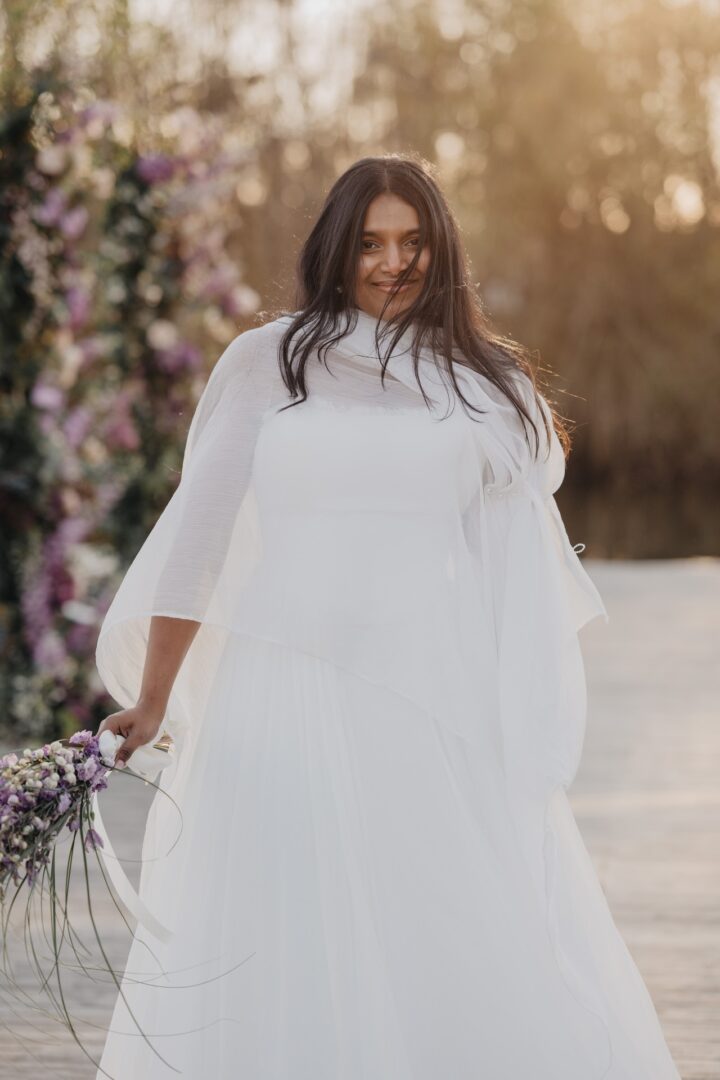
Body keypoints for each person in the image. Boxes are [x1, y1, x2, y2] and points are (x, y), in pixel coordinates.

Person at [94, 154, 681, 1079]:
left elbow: (508, 562)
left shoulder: (484, 386)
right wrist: (157, 697)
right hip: (279, 685)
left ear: (442, 250)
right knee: (280, 926)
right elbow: (199, 540)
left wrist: (513, 710)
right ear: (335, 250)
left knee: (442, 917)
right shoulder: (269, 361)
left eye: (413, 242)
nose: (393, 263)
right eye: (370, 243)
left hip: (427, 692)